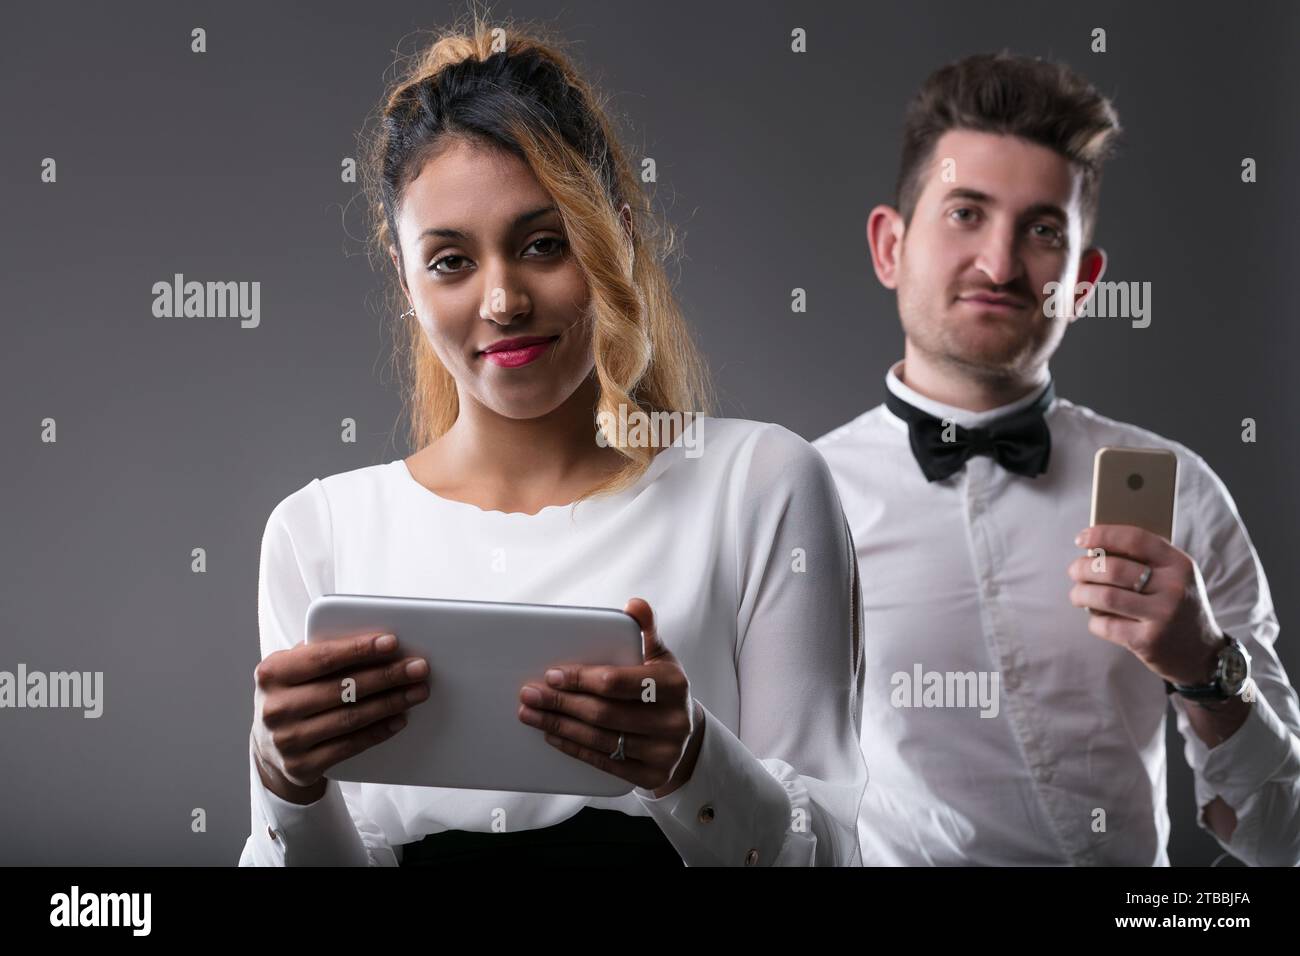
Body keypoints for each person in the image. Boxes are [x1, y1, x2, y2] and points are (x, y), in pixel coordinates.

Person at [238, 16, 865, 867]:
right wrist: (286, 785)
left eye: (544, 244)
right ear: (402, 275)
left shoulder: (762, 485)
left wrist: (692, 764)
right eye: (451, 261)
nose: (503, 301)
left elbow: (830, 853)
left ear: (618, 236)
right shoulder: (320, 533)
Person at [814, 52, 1300, 865]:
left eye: (1043, 231)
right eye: (965, 213)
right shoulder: (801, 499)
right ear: (889, 245)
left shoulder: (1180, 492)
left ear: (1082, 282)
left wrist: (1205, 667)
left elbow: (1282, 840)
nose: (1000, 265)